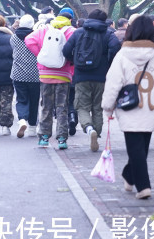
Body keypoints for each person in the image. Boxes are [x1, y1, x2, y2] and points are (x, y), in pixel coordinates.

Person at [102, 16, 154, 199]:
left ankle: (143, 187)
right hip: (152, 106)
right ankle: (129, 175)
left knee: (136, 149)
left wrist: (107, 107)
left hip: (129, 107)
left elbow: (113, 83)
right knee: (142, 148)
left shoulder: (123, 55)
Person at [63, 9, 121, 152]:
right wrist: (107, 63)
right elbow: (115, 49)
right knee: (97, 108)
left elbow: (65, 50)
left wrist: (75, 61)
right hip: (101, 77)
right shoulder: (109, 34)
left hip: (81, 76)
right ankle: (97, 133)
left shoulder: (78, 33)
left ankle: (89, 129)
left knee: (82, 107)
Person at [25, 8, 76, 149]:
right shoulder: (72, 31)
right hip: (63, 74)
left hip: (45, 74)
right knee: (62, 107)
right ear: (70, 19)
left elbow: (29, 40)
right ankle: (61, 139)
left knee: (46, 106)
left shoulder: (45, 29)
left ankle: (44, 137)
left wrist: (40, 56)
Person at [10, 15, 40, 138]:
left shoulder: (13, 38)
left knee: (21, 99)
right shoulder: (36, 37)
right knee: (34, 101)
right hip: (35, 74)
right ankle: (32, 127)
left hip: (18, 73)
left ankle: (22, 119)